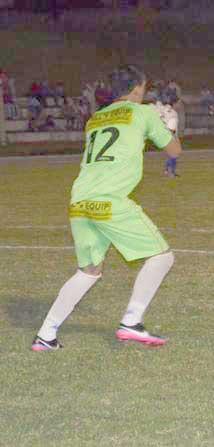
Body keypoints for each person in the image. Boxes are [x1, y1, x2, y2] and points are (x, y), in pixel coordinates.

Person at [32, 65, 183, 352]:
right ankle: (132, 322)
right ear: (136, 88)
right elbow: (174, 150)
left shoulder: (95, 118)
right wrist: (170, 125)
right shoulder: (142, 112)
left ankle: (46, 335)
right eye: (143, 88)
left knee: (88, 271)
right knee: (162, 257)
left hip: (80, 201)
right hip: (109, 200)